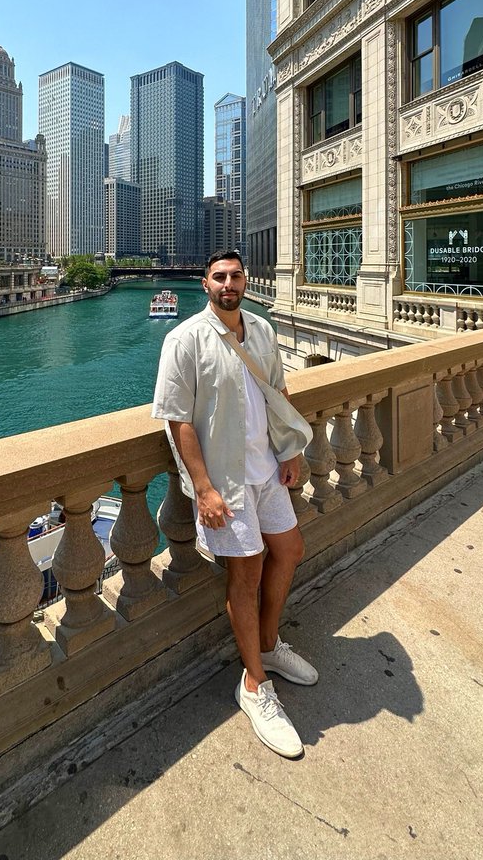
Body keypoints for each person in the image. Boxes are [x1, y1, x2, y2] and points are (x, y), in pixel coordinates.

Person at [152, 250, 318, 759]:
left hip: (267, 471)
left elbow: (278, 393)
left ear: (245, 281)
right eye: (219, 276)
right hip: (225, 483)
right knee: (244, 576)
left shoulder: (262, 331)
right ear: (204, 284)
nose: (229, 283)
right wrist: (203, 489)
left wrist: (290, 451)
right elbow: (178, 420)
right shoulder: (184, 339)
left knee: (289, 551)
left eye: (236, 275)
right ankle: (253, 684)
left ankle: (268, 645)